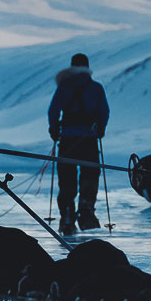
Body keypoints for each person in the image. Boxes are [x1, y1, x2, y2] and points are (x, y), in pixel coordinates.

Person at [47, 53, 110, 235]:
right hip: (88, 140)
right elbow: (104, 112)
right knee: (90, 174)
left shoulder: (63, 88)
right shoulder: (96, 88)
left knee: (67, 179)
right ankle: (86, 211)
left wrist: (54, 130)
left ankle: (67, 217)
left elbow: (53, 111)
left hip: (67, 140)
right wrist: (101, 129)